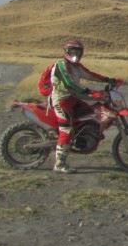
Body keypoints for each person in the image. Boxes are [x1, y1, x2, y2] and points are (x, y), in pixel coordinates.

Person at [49, 39, 118, 174]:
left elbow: (90, 75)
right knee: (67, 130)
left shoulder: (77, 66)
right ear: (67, 52)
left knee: (90, 113)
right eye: (73, 51)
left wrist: (107, 79)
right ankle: (59, 163)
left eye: (78, 51)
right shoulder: (61, 65)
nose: (76, 54)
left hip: (73, 99)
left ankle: (82, 138)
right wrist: (89, 92)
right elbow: (69, 83)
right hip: (61, 100)